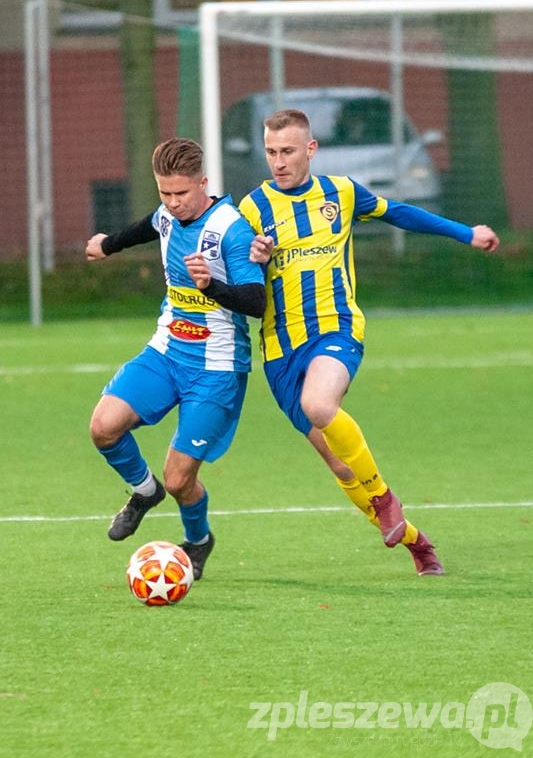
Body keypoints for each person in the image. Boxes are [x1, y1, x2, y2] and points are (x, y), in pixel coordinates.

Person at [239, 108, 500, 576]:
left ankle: (384, 498)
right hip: (280, 350)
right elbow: (240, 276)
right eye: (271, 152)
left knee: (320, 404)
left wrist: (466, 233)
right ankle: (417, 543)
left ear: (311, 149)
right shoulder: (252, 208)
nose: (278, 161)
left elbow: (400, 212)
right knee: (342, 467)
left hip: (335, 328)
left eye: (288, 151)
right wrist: (254, 256)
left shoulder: (341, 193)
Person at [86, 138, 265, 580]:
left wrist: (211, 288)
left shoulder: (231, 230)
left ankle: (198, 541)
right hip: (166, 352)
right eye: (164, 192)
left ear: (203, 183)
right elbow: (149, 226)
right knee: (103, 427)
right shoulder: (167, 212)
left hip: (216, 369)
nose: (172, 202)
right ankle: (144, 493)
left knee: (180, 479)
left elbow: (256, 302)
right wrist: (109, 244)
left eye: (181, 193)